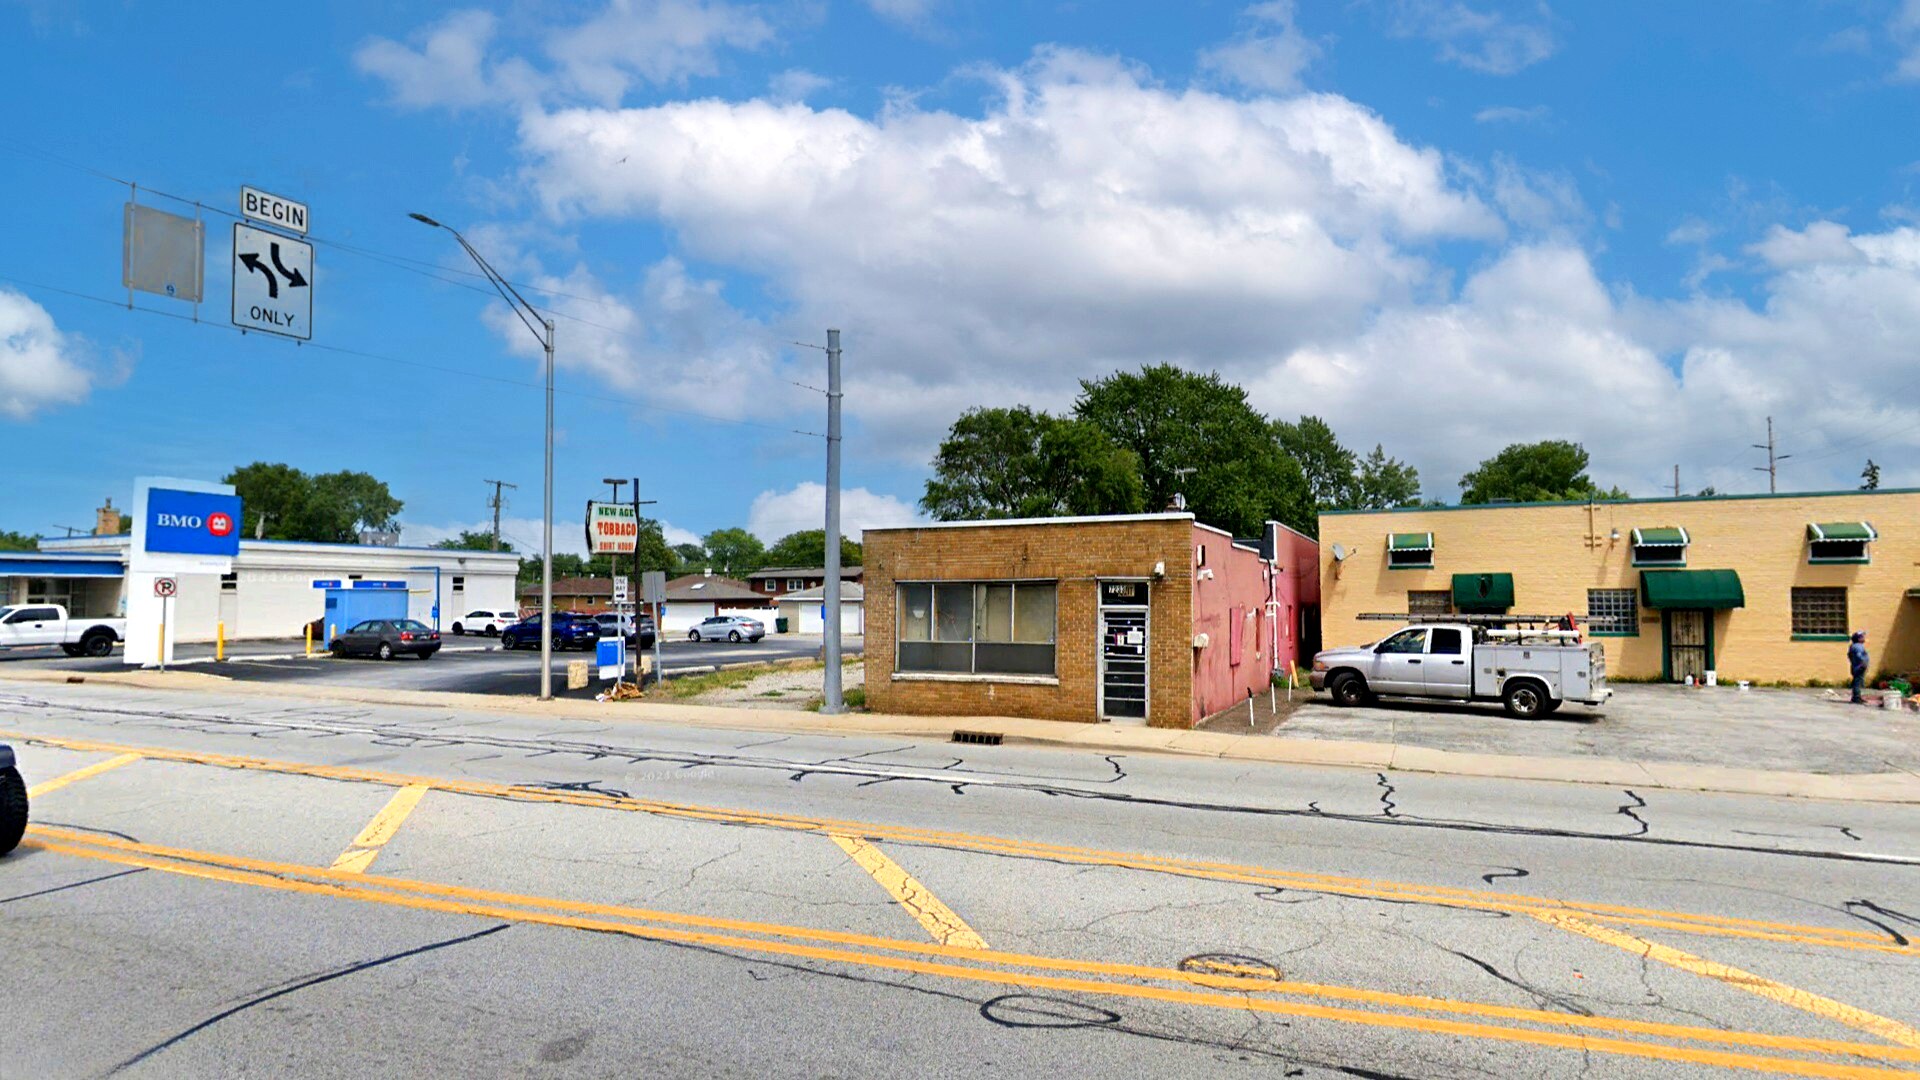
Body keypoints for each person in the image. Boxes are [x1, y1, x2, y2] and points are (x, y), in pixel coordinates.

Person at [1848, 631, 1869, 704]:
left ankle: (1856, 697)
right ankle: (1856, 698)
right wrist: (1863, 663)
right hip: (1859, 667)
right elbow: (1859, 656)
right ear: (1858, 638)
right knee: (1857, 682)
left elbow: (1849, 656)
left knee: (1857, 682)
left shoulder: (1854, 646)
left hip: (1856, 666)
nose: (1864, 638)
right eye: (1862, 637)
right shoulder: (1858, 646)